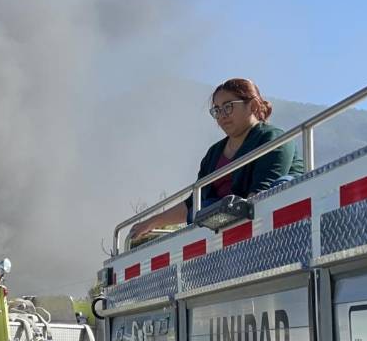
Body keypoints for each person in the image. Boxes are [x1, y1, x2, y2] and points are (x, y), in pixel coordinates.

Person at [130, 78, 305, 241]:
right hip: (224, 232)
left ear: (252, 106)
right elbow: (193, 202)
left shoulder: (272, 138)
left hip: (272, 226)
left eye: (228, 107)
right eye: (217, 110)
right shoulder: (213, 153)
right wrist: (151, 222)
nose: (222, 115)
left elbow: (262, 193)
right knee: (205, 206)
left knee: (282, 185)